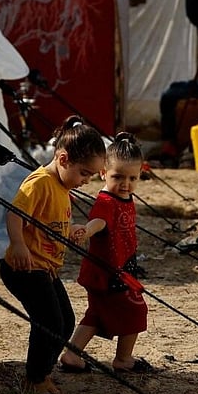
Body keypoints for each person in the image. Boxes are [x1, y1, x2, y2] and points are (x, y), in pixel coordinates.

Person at [0, 115, 106, 394]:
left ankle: (42, 372)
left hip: (46, 269)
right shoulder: (40, 183)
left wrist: (70, 231)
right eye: (84, 173)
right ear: (63, 159)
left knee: (65, 322)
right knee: (48, 322)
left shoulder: (62, 187)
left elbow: (49, 221)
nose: (86, 181)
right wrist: (18, 244)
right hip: (24, 268)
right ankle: (35, 379)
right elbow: (14, 214)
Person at [58, 132, 153, 374]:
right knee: (135, 310)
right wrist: (87, 231)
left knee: (96, 314)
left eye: (132, 178)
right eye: (118, 177)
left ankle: (72, 354)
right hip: (109, 274)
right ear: (103, 173)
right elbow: (99, 221)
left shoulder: (125, 197)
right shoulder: (107, 201)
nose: (125, 183)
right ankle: (123, 359)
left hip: (114, 269)